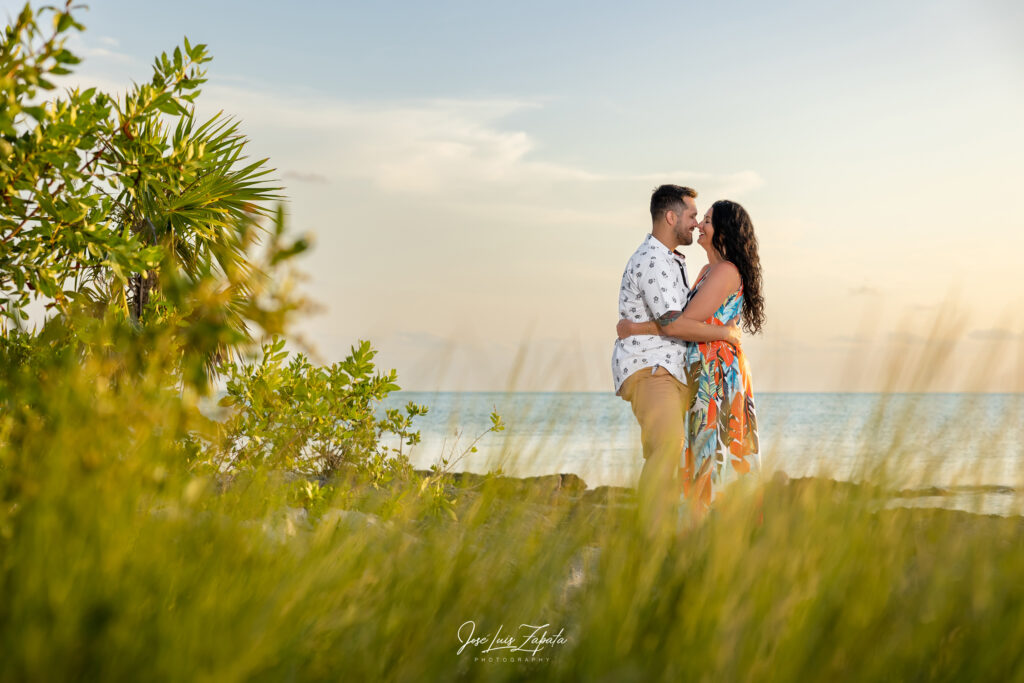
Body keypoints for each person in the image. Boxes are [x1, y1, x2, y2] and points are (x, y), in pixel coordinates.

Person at [617, 199, 762, 518]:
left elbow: (681, 323)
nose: (699, 225)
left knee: (710, 448)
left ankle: (709, 530)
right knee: (700, 449)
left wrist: (635, 327)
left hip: (716, 368)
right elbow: (682, 322)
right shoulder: (708, 271)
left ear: (722, 232)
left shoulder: (724, 271)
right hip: (703, 364)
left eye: (707, 221)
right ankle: (699, 530)